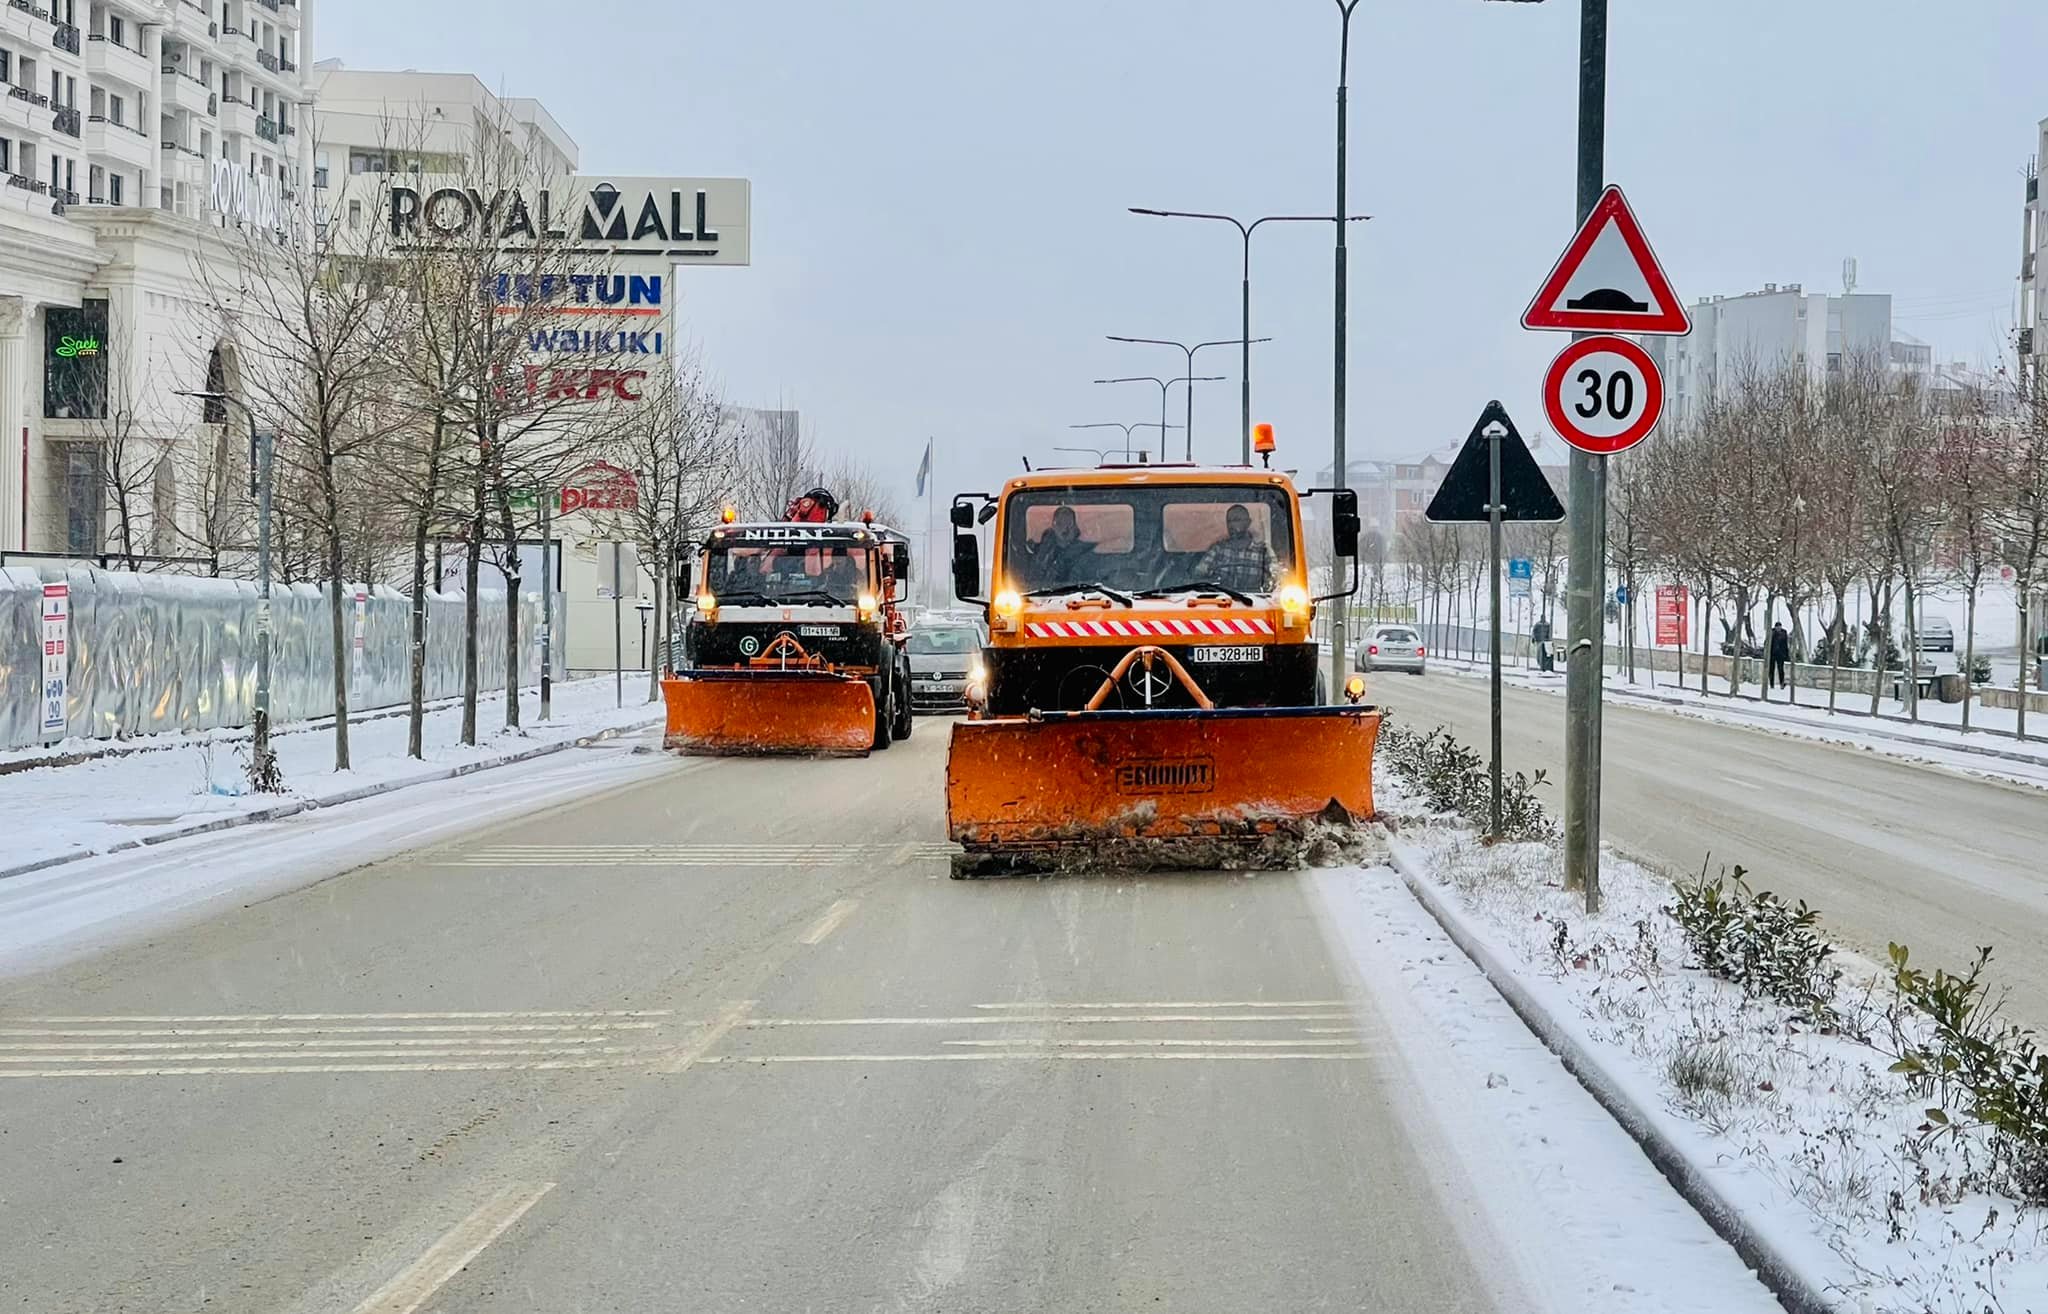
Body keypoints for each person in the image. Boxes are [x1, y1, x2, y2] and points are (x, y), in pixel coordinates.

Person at [1190, 504, 1276, 593]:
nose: (1231, 525)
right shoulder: (1218, 548)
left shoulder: (1263, 550)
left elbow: (1276, 578)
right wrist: (1214, 581)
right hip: (1221, 600)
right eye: (1229, 521)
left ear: (1248, 522)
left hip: (1255, 602)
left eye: (1236, 520)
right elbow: (1198, 575)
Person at [1025, 505, 1095, 586]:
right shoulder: (1041, 554)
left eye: (1069, 524)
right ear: (1053, 526)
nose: (1065, 529)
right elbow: (1032, 581)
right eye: (1059, 523)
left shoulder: (1085, 552)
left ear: (1075, 527)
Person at [1769, 621, 1791, 689]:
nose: (1778, 628)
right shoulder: (1771, 632)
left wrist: (1786, 655)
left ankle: (1782, 683)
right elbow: (1768, 642)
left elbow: (1785, 644)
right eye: (1777, 627)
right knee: (1771, 669)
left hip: (1780, 654)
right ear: (1775, 627)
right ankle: (1771, 684)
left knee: (1781, 669)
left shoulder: (1784, 633)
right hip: (1772, 654)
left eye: (1779, 627)